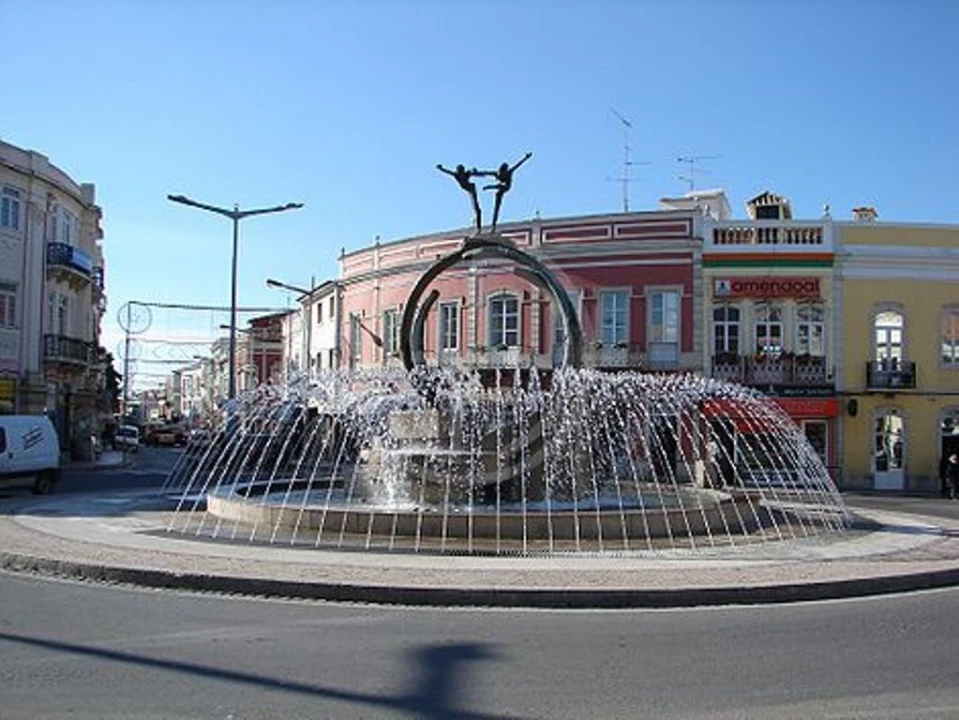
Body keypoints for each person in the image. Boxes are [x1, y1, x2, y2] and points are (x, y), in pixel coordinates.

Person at [481, 152, 532, 232]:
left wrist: (525, 158)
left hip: (507, 187)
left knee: (500, 186)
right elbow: (485, 172)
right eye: (500, 173)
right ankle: (493, 225)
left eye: (502, 173)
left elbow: (517, 165)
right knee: (496, 206)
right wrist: (475, 173)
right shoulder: (496, 173)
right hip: (500, 189)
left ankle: (489, 187)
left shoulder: (509, 172)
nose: (501, 175)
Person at [437, 163, 483, 234]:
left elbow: (471, 172)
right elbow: (448, 172)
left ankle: (478, 226)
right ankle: (476, 221)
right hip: (469, 188)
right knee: (476, 209)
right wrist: (441, 169)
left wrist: (477, 172)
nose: (461, 173)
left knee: (477, 209)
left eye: (462, 171)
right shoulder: (457, 175)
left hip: (471, 188)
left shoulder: (465, 174)